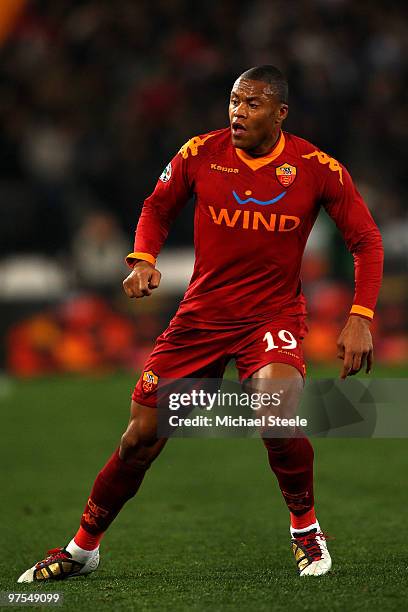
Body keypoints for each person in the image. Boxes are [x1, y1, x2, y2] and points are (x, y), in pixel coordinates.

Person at [18, 65, 383, 582]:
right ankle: (82, 548)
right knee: (139, 439)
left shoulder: (316, 167)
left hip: (271, 317)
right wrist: (142, 257)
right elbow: (157, 206)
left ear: (280, 113)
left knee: (276, 416)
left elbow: (366, 240)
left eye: (252, 104)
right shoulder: (198, 153)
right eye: (234, 101)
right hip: (201, 318)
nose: (238, 112)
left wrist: (360, 316)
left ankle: (305, 530)